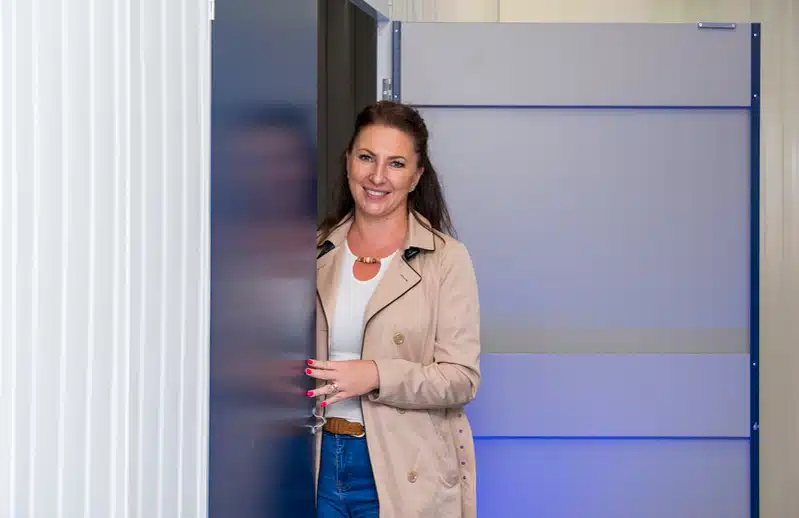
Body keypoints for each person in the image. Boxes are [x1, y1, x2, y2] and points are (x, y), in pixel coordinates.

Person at [307, 101, 482, 518]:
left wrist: (376, 374)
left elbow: (462, 378)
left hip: (405, 465)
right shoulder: (313, 250)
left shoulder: (445, 259)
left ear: (417, 175)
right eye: (367, 157)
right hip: (314, 462)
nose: (377, 177)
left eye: (396, 163)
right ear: (348, 160)